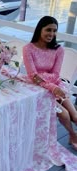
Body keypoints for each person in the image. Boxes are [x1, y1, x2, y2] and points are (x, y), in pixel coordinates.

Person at [23, 16, 77, 150]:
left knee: (75, 115)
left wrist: (53, 86)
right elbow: (33, 76)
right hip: (37, 88)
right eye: (48, 30)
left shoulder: (59, 49)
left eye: (54, 31)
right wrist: (51, 86)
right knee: (64, 114)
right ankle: (72, 134)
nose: (51, 34)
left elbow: (56, 74)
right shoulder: (28, 48)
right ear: (40, 29)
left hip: (56, 85)